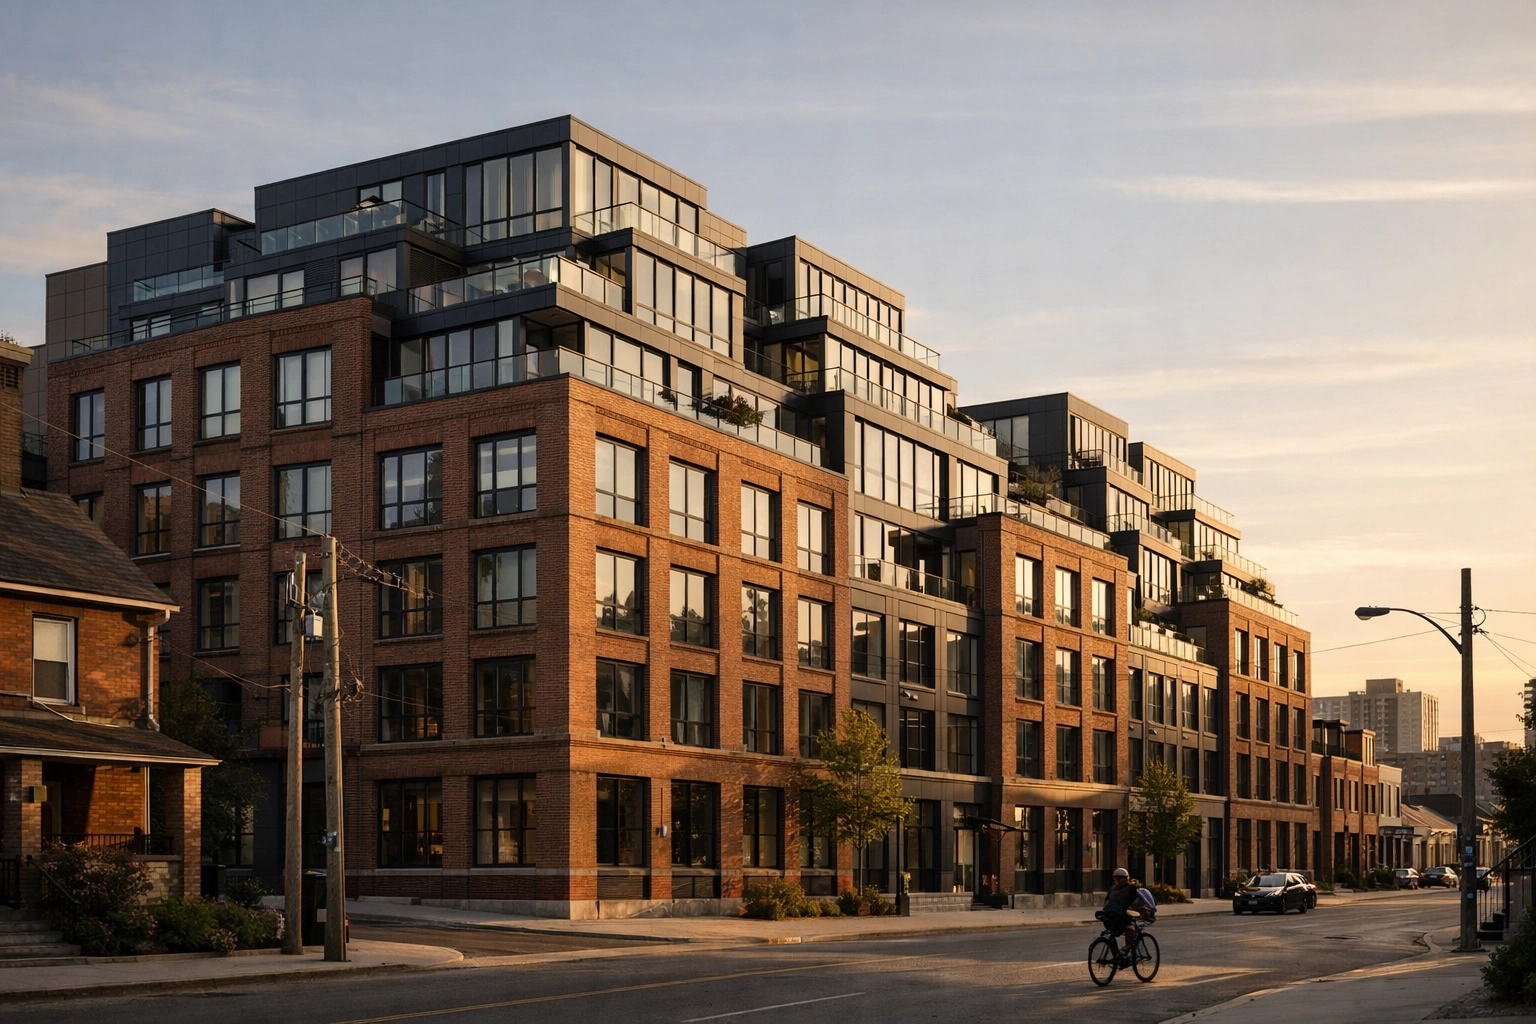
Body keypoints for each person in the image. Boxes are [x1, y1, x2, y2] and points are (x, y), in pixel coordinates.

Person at [1101, 867, 1139, 962]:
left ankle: (1128, 945)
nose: (1116, 881)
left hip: (1124, 914)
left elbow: (1136, 902)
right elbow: (1107, 901)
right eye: (1115, 879)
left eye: (1118, 879)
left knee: (1128, 927)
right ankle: (1117, 955)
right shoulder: (1112, 889)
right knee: (1111, 934)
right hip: (1112, 914)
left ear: (1124, 879)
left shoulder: (1131, 888)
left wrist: (1132, 910)